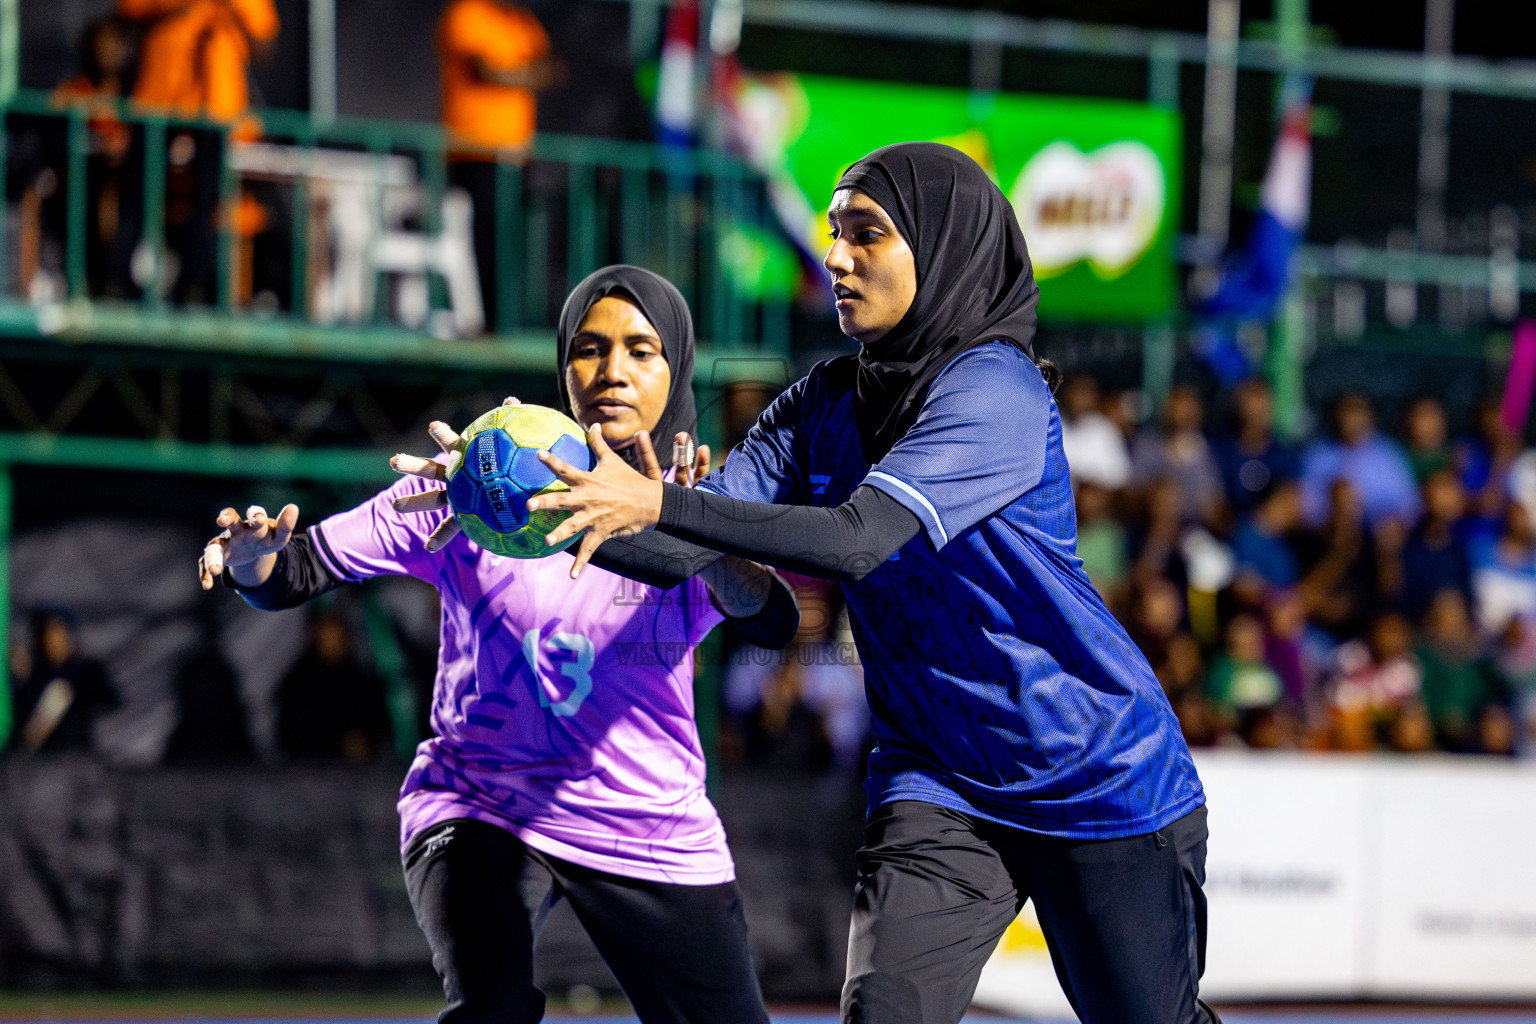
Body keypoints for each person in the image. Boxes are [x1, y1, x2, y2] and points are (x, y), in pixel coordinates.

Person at [530, 144, 1216, 1024]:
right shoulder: (819, 402)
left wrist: (656, 500)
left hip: (1093, 774)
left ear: (942, 248)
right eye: (833, 233)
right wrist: (527, 502)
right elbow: (680, 550)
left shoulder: (997, 391)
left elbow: (856, 542)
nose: (837, 256)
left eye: (868, 234)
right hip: (935, 775)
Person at [198, 266, 793, 1024]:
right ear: (563, 368)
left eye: (641, 350)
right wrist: (255, 562)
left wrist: (688, 531)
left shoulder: (699, 507)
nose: (612, 370)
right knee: (492, 1009)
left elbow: (771, 621)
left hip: (648, 824)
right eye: (589, 348)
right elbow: (298, 569)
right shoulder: (474, 488)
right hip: (480, 803)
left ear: (674, 369)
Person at [438, 0, 565, 332]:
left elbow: (553, 68)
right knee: (483, 239)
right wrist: (524, 73)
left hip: (515, 154)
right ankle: (485, 325)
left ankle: (511, 321)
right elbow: (484, 69)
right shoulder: (467, 13)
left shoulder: (521, 21)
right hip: (474, 152)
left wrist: (512, 73)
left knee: (514, 240)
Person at [276, 611, 393, 764]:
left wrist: (365, 741)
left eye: (338, 633)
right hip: (310, 769)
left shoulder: (360, 678)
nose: (332, 640)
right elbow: (291, 734)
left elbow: (377, 723)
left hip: (359, 770)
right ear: (314, 636)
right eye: (326, 634)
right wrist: (337, 743)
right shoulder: (299, 682)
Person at [9, 610, 118, 755]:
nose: (56, 642)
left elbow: (113, 706)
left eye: (61, 634)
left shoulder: (87, 672)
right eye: (48, 635)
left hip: (80, 759)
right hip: (39, 763)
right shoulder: (30, 675)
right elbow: (22, 735)